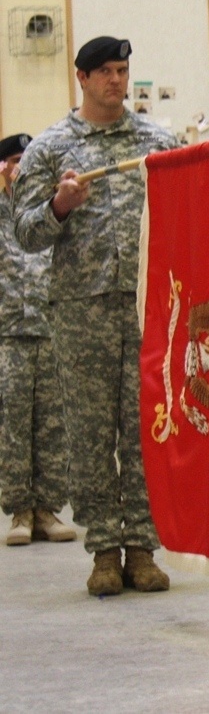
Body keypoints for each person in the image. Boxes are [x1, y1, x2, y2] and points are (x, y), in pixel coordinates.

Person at [13, 36, 179, 594]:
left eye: (123, 70)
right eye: (105, 71)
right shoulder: (52, 147)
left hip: (146, 310)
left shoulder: (157, 143)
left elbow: (187, 212)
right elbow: (25, 233)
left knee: (144, 433)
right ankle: (104, 550)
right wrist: (59, 206)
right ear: (80, 77)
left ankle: (142, 549)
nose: (116, 80)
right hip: (80, 312)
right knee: (88, 435)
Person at [0, 133, 75, 547]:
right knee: (12, 423)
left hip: (52, 328)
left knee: (52, 423)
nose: (19, 167)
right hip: (8, 332)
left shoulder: (53, 213)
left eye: (25, 160)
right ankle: (19, 512)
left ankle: (47, 508)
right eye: (12, 160)